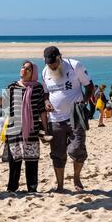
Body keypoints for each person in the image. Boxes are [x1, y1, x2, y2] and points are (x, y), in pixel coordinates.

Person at [41, 46, 94, 192]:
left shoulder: (75, 65)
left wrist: (84, 101)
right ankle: (60, 185)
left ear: (60, 57)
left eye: (54, 62)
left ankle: (76, 178)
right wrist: (46, 102)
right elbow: (46, 93)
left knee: (77, 149)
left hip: (75, 116)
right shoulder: (45, 71)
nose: (52, 66)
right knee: (57, 154)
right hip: (55, 118)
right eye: (49, 63)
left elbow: (90, 86)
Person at [0, 61, 49, 193]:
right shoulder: (12, 86)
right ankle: (12, 188)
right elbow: (4, 105)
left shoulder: (38, 88)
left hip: (32, 129)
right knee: (14, 162)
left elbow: (41, 110)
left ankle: (32, 188)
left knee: (32, 160)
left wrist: (45, 128)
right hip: (14, 128)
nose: (24, 70)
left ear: (33, 73)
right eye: (23, 67)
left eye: (28, 69)